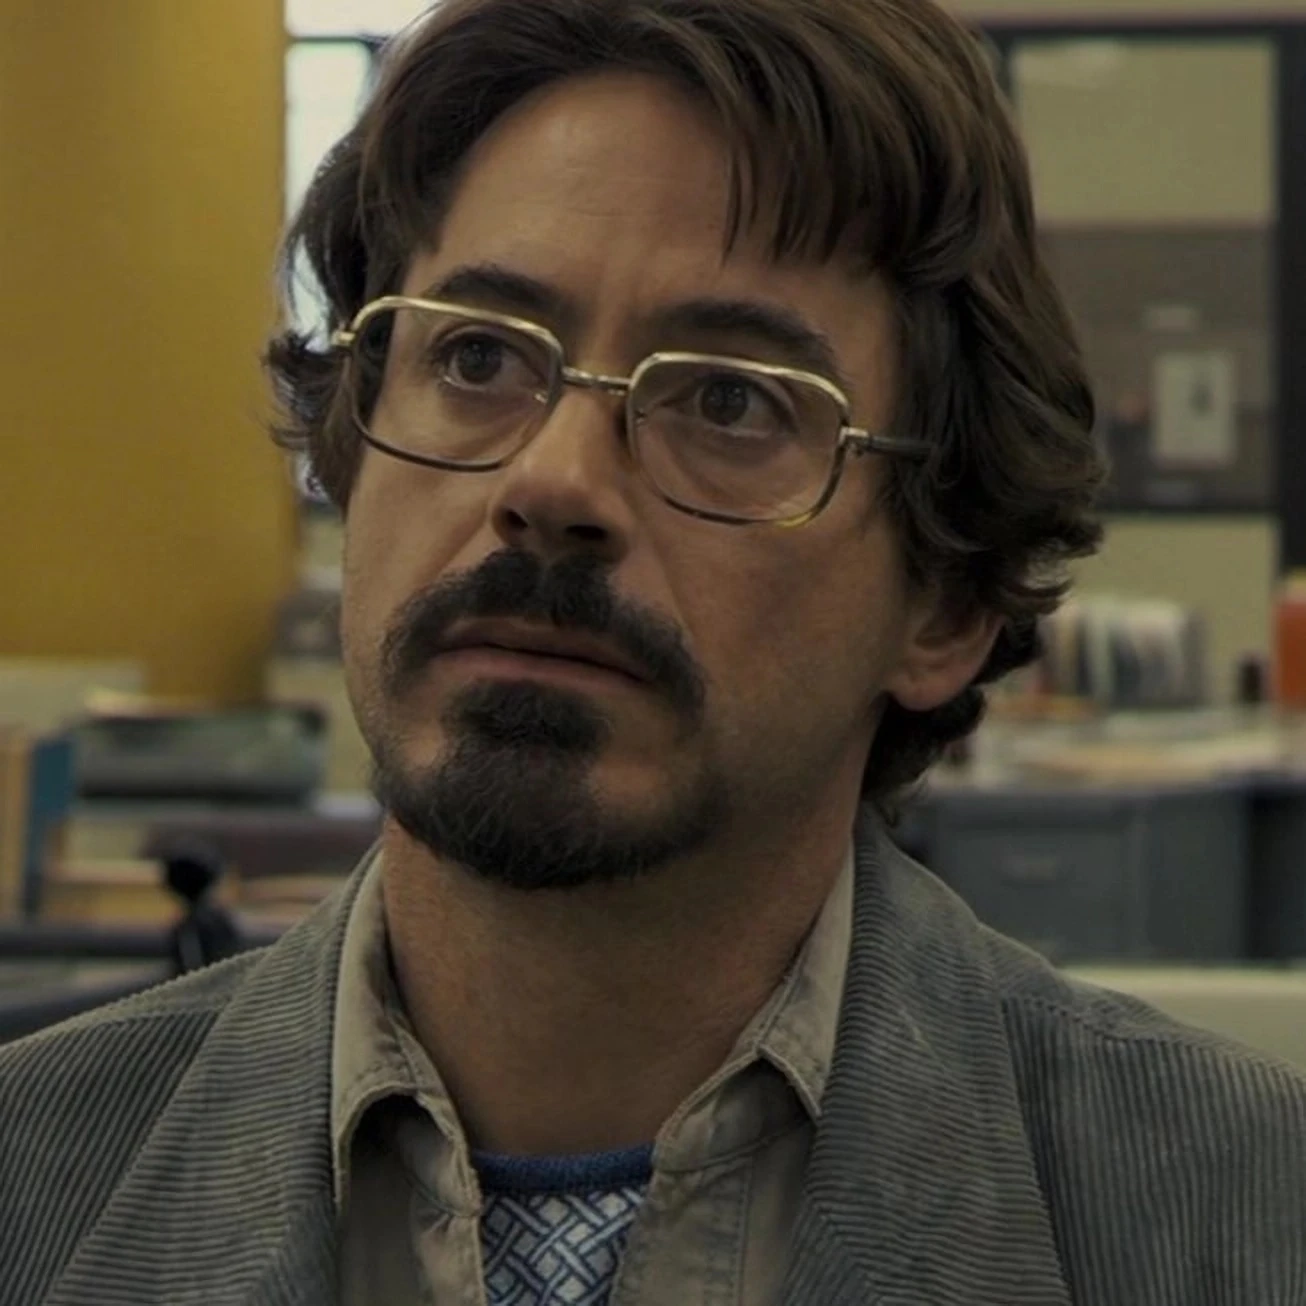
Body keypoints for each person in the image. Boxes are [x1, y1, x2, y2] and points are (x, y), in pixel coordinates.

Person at [3, 1, 1304, 1302]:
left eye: (730, 400)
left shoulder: (1247, 1218)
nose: (551, 480)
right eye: (475, 356)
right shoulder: (30, 1183)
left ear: (944, 604)